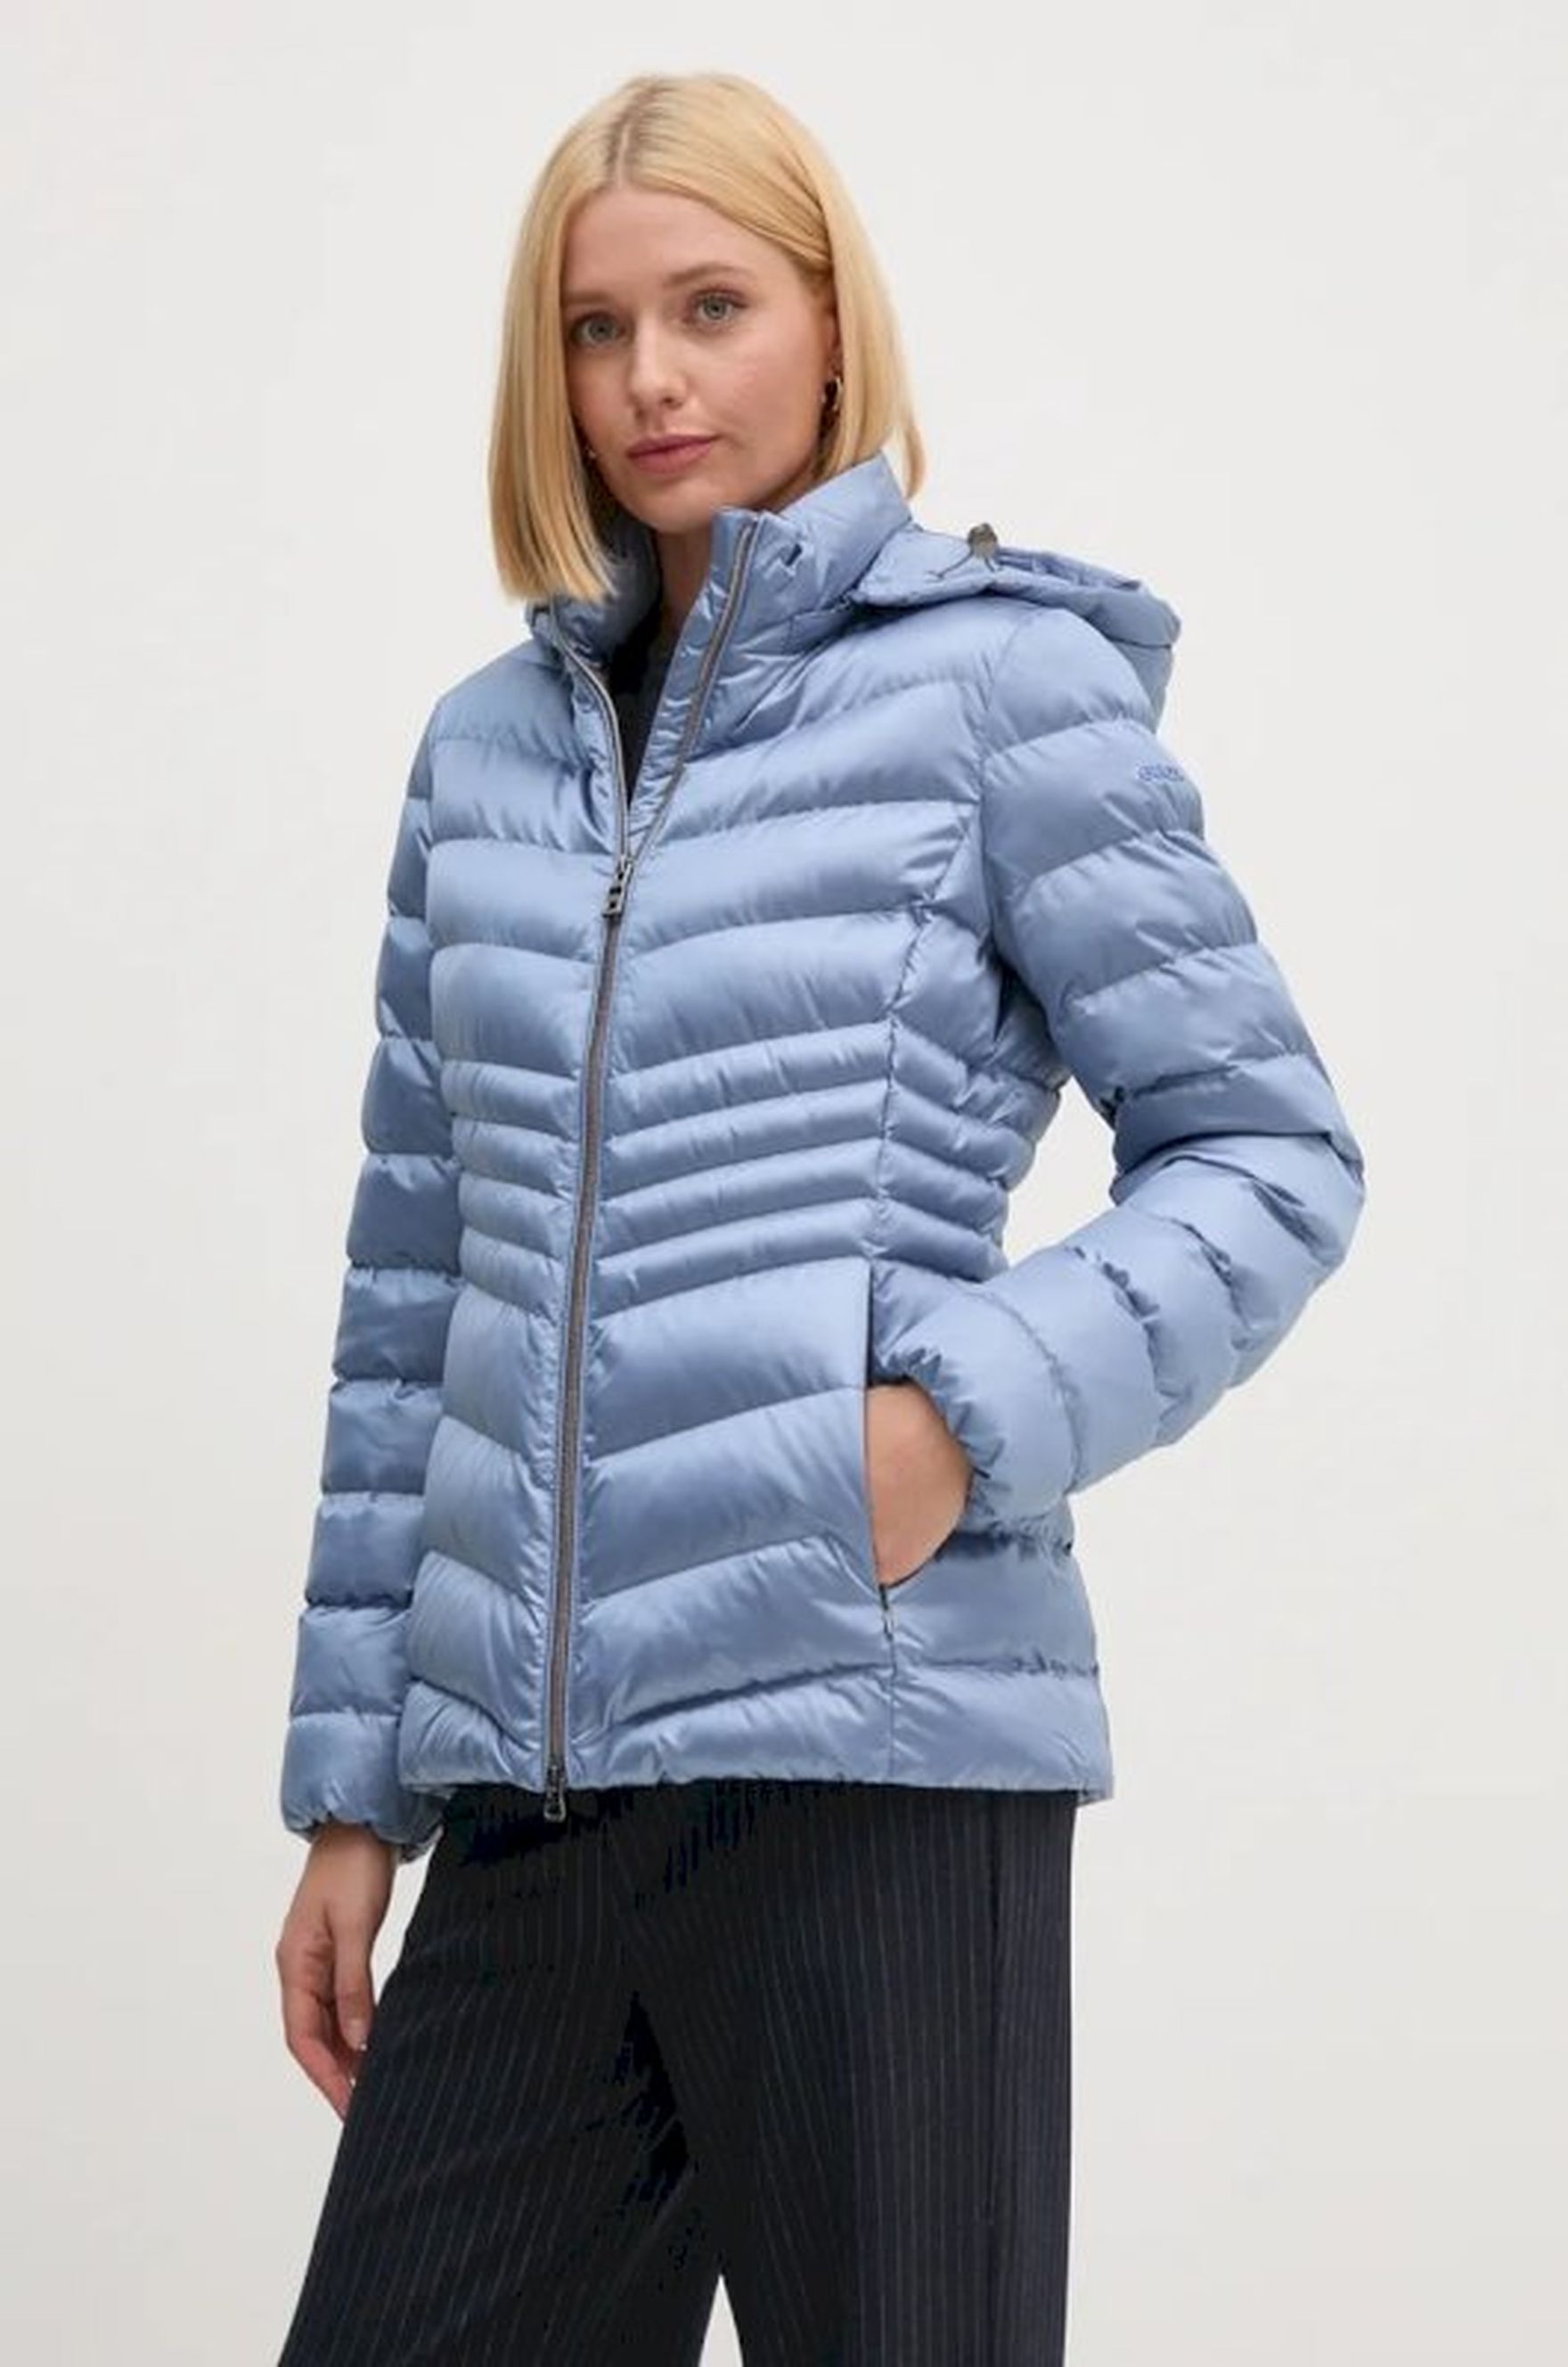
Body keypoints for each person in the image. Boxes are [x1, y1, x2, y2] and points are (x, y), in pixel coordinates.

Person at [272, 68, 1367, 2367]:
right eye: (595, 329)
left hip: (875, 1755)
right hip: (538, 1803)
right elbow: (413, 1295)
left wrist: (949, 1425)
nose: (650, 379)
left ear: (830, 319)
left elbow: (1268, 1153)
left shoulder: (1000, 688)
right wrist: (354, 1799)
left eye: (712, 307)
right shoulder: (485, 752)